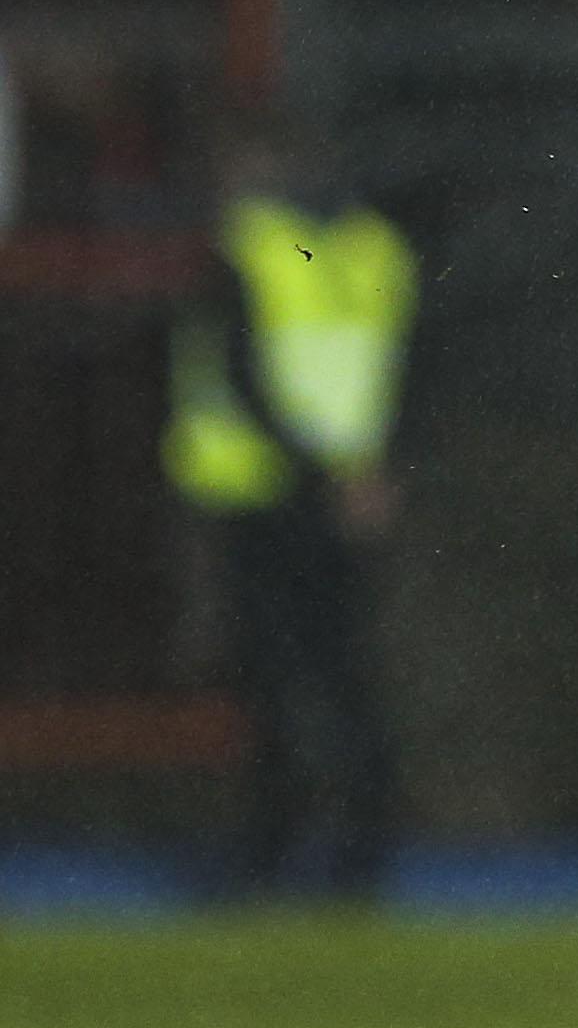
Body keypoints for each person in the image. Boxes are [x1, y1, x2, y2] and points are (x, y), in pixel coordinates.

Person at [162, 118, 418, 898]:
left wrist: (322, 472)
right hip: (350, 497)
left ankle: (273, 851)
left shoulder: (251, 249)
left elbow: (244, 376)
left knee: (276, 678)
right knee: (341, 673)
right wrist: (376, 472)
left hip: (265, 495)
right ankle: (359, 851)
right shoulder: (378, 249)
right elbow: (410, 369)